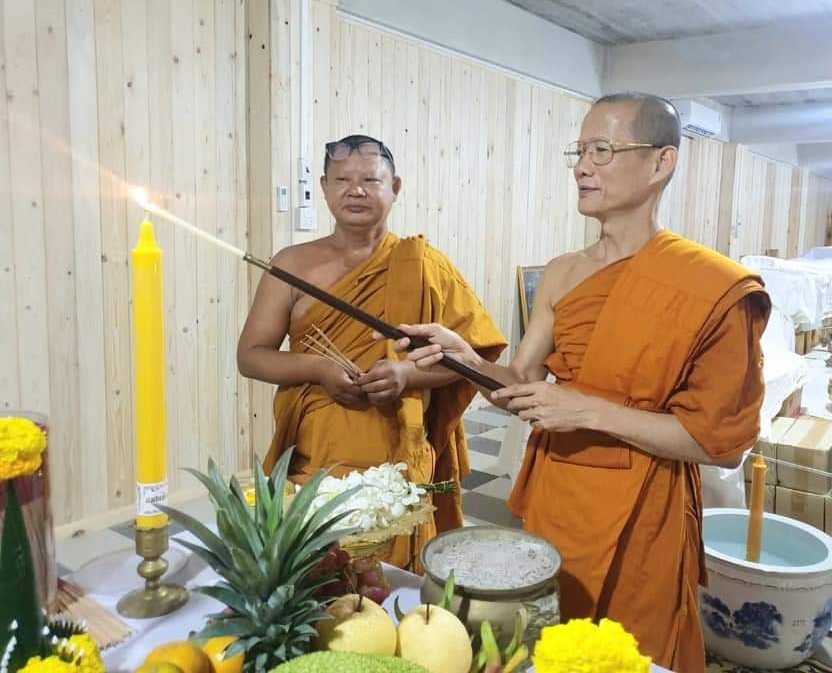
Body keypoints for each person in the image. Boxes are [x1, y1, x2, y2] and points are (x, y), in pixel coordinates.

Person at [391, 95, 771, 672]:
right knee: (549, 639)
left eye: (603, 150)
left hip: (646, 505)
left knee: (627, 651)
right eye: (579, 151)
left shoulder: (713, 286)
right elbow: (520, 382)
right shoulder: (564, 271)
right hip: (557, 495)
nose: (582, 167)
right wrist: (462, 354)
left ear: (662, 163)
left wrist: (586, 411)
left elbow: (721, 443)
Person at [237, 134, 507, 569]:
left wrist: (407, 376)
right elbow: (251, 355)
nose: (355, 190)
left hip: (398, 450)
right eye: (342, 179)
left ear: (395, 187)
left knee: (392, 585)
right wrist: (317, 367)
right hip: (317, 450)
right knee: (315, 572)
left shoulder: (424, 265)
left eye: (369, 179)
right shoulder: (291, 264)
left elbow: (471, 362)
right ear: (324, 187)